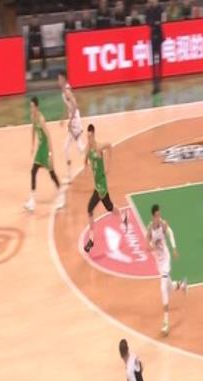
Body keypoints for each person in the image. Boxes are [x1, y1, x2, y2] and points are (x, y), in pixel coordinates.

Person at [83, 124, 128, 253]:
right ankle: (123, 217)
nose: (88, 139)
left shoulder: (98, 147)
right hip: (96, 184)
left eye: (90, 136)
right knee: (109, 207)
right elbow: (85, 160)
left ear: (94, 135)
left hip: (101, 184)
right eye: (87, 136)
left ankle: (91, 240)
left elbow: (109, 145)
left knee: (90, 208)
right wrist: (86, 167)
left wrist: (109, 164)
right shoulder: (87, 148)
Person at [147, 204, 187, 336]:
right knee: (169, 286)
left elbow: (171, 232)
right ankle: (182, 285)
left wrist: (174, 248)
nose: (159, 217)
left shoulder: (163, 225)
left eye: (160, 215)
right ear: (153, 216)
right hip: (159, 263)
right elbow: (146, 245)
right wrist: (151, 246)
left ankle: (165, 323)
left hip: (166, 260)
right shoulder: (150, 228)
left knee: (163, 288)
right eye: (157, 216)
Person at [24, 97, 65, 212]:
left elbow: (49, 136)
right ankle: (32, 201)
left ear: (37, 107)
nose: (31, 109)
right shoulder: (33, 117)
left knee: (51, 173)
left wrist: (50, 154)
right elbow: (33, 130)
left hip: (45, 148)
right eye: (30, 107)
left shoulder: (41, 119)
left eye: (33, 107)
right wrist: (32, 145)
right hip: (40, 148)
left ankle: (61, 194)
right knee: (33, 171)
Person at [58, 72, 85, 183]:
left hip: (75, 121)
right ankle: (70, 175)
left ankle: (95, 153)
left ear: (64, 79)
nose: (58, 81)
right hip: (73, 119)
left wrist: (70, 121)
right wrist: (64, 118)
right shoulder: (64, 91)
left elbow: (75, 105)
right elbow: (69, 107)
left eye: (59, 79)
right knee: (73, 147)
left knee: (76, 148)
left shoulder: (67, 91)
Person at [146, 0, 164, 94]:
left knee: (159, 60)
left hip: (159, 36)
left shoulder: (160, 8)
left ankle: (159, 80)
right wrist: (154, 23)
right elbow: (148, 22)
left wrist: (155, 23)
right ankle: (154, 83)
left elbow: (159, 21)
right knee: (153, 61)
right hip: (153, 37)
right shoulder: (149, 10)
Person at [26, 14, 48, 80]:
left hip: (39, 48)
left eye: (36, 21)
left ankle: (44, 70)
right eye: (33, 21)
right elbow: (29, 41)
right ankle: (28, 72)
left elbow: (41, 40)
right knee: (27, 55)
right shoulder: (29, 29)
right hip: (31, 49)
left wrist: (38, 48)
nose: (35, 22)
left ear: (38, 21)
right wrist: (33, 48)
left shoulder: (40, 28)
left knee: (44, 53)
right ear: (31, 21)